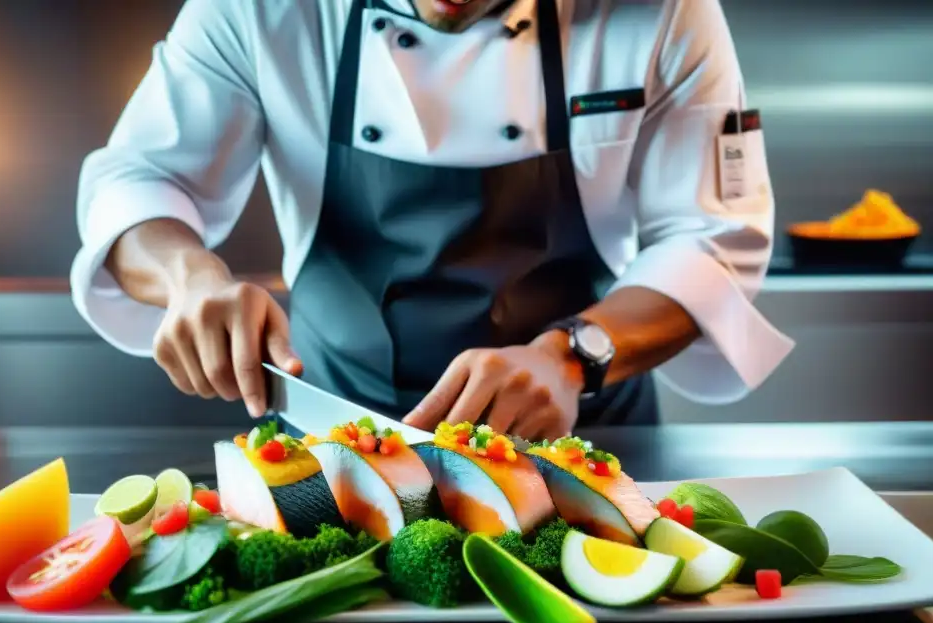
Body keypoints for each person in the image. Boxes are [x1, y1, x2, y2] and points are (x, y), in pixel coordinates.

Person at [71, 0, 794, 440]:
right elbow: (140, 180)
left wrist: (571, 358)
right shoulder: (257, 9)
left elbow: (711, 242)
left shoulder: (662, 8)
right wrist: (189, 278)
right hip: (337, 438)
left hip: (587, 436)